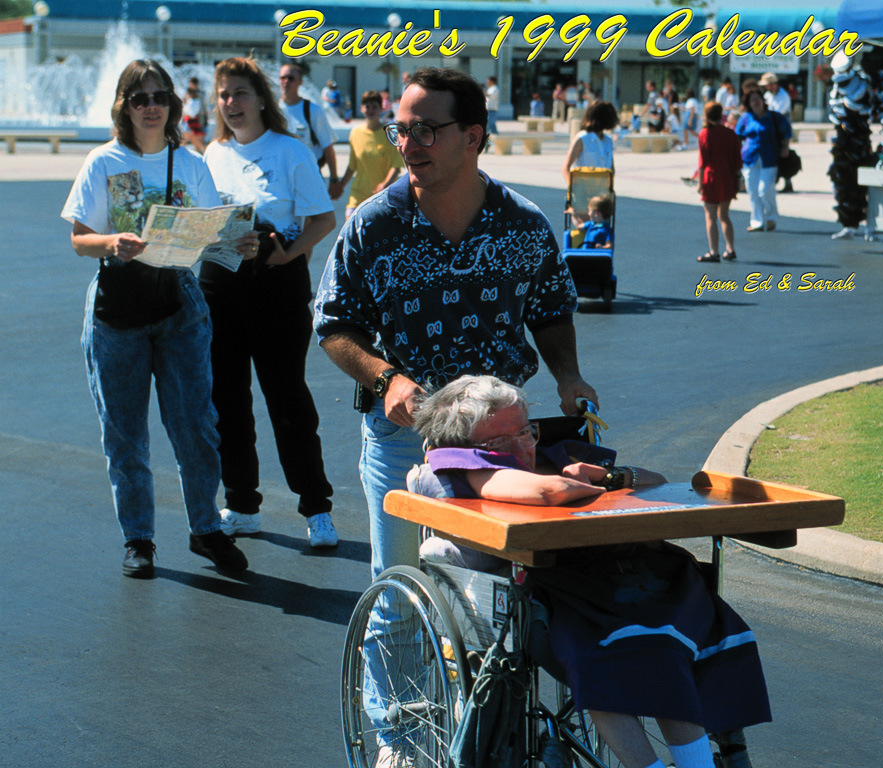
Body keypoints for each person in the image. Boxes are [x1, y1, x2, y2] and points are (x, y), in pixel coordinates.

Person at [314, 66, 597, 767]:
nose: (409, 142)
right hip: (405, 440)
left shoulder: (523, 224)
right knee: (400, 595)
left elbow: (551, 309)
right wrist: (386, 377)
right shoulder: (373, 226)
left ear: (472, 136)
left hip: (504, 443)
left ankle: (512, 730)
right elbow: (334, 326)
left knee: (513, 591)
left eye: (426, 129)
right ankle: (403, 743)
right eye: (401, 129)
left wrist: (567, 374)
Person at [410, 375, 770, 768]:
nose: (522, 447)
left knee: (668, 644)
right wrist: (582, 480)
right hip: (564, 590)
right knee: (603, 661)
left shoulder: (553, 450)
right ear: (472, 445)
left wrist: (614, 476)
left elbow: (657, 482)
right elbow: (549, 494)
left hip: (621, 575)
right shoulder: (466, 465)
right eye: (502, 441)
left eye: (526, 431)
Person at [60, 59, 253, 579]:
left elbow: (212, 232)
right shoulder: (104, 162)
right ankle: (139, 539)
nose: (151, 106)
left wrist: (239, 240)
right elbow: (79, 238)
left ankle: (205, 528)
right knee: (125, 434)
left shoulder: (189, 162)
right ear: (123, 105)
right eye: (140, 98)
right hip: (117, 307)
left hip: (179, 304)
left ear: (173, 105)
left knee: (197, 426)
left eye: (160, 97)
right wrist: (111, 241)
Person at [200, 57, 339, 547]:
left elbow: (323, 219)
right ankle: (241, 503)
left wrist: (288, 255)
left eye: (240, 93)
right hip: (219, 285)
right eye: (223, 95)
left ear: (262, 98)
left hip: (276, 284)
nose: (231, 103)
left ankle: (316, 507)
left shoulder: (290, 151)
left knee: (287, 399)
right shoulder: (211, 154)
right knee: (226, 401)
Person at [334, 89, 405, 218]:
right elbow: (352, 166)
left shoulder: (389, 134)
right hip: (358, 195)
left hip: (381, 196)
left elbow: (396, 166)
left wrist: (384, 185)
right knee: (350, 233)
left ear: (381, 108)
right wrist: (340, 186)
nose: (370, 110)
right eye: (367, 106)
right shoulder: (355, 133)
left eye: (374, 107)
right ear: (361, 108)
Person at [278, 60, 340, 200]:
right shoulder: (273, 111)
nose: (286, 81)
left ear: (300, 81)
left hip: (309, 176)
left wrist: (334, 179)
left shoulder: (312, 110)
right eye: (283, 78)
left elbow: (328, 147)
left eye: (291, 78)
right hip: (282, 180)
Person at [736, 87, 791, 233]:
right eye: (751, 100)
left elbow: (787, 132)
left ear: (763, 100)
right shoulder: (745, 118)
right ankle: (757, 221)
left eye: (757, 99)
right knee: (753, 191)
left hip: (769, 157)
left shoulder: (775, 117)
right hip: (750, 158)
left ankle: (771, 217)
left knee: (765, 190)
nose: (755, 102)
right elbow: (737, 136)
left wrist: (785, 147)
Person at [696, 101, 742, 262]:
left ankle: (713, 251)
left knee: (710, 217)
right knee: (724, 215)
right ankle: (730, 248)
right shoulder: (730, 134)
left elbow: (702, 162)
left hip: (711, 178)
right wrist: (737, 177)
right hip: (727, 178)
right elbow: (737, 159)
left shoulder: (704, 133)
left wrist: (699, 183)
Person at [563, 100, 618, 185]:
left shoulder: (608, 141)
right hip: (583, 191)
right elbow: (566, 167)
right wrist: (572, 189)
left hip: (603, 192)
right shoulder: (582, 139)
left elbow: (611, 169)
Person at [759, 72, 795, 192]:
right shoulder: (769, 95)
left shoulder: (783, 95)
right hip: (772, 127)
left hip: (782, 129)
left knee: (784, 154)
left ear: (773, 84)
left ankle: (787, 182)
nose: (765, 87)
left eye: (767, 85)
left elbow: (778, 113)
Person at [180, 76, 207, 153]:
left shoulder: (199, 96)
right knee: (189, 138)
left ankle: (202, 151)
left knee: (195, 139)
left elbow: (202, 109)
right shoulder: (187, 96)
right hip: (189, 121)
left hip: (196, 120)